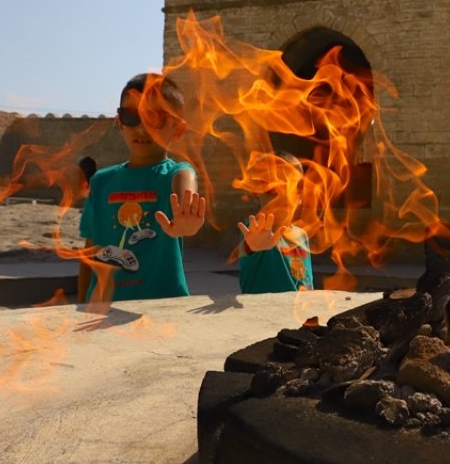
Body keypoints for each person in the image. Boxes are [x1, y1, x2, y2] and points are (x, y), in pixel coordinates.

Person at [77, 73, 207, 305]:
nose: (141, 128)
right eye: (131, 116)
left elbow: (185, 186)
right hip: (103, 307)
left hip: (165, 310)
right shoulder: (101, 182)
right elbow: (90, 250)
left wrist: (186, 221)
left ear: (177, 128)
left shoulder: (176, 173)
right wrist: (80, 305)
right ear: (119, 122)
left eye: (154, 118)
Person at [226, 153, 314, 293]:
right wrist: (252, 246)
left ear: (301, 193)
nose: (282, 195)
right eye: (272, 189)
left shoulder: (301, 235)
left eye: (290, 186)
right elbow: (251, 244)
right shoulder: (255, 231)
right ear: (256, 192)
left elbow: (306, 282)